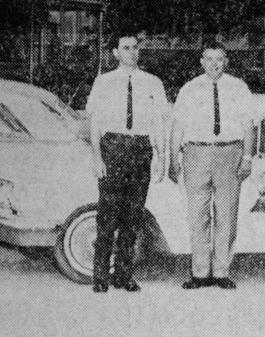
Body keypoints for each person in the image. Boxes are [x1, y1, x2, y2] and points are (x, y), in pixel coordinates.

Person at [85, 34, 168, 293]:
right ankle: (100, 277)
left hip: (141, 149)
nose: (132, 52)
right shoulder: (104, 82)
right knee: (107, 217)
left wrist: (161, 157)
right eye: (126, 48)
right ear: (115, 52)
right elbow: (95, 122)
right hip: (113, 147)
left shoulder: (152, 83)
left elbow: (158, 123)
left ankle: (124, 276)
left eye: (135, 48)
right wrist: (97, 156)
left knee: (133, 217)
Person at [170, 43, 256, 290]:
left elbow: (249, 126)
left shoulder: (238, 88)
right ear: (201, 61)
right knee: (197, 215)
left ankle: (221, 272)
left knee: (226, 214)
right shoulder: (189, 89)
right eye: (209, 59)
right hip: (196, 153)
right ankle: (199, 273)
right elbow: (178, 127)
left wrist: (247, 157)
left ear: (226, 61)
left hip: (230, 152)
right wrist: (173, 158)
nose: (214, 64)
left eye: (219, 59)